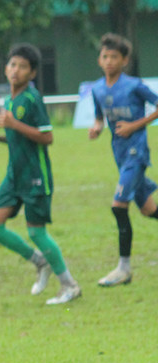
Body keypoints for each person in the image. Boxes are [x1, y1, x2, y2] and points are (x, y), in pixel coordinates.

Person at [0, 43, 81, 306]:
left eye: (23, 66)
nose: (16, 70)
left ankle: (69, 285)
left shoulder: (32, 99)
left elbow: (47, 137)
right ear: (6, 68)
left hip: (35, 176)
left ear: (32, 73)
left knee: (37, 232)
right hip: (14, 175)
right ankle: (39, 262)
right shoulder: (10, 100)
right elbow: (20, 136)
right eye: (13, 65)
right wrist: (1, 138)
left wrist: (15, 124)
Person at [88, 33, 158, 287]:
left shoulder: (134, 85)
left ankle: (123, 269)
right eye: (105, 56)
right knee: (149, 210)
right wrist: (96, 128)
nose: (109, 61)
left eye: (114, 57)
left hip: (136, 154)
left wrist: (135, 126)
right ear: (99, 59)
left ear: (125, 60)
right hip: (119, 153)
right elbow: (99, 116)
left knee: (119, 206)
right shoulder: (97, 89)